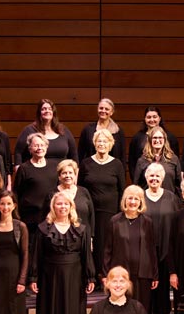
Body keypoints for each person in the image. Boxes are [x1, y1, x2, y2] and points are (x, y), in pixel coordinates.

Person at [30, 190, 96, 314]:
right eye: (59, 203)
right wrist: (34, 277)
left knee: (72, 313)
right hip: (50, 276)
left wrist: (90, 277)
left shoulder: (81, 229)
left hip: (74, 276)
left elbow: (86, 255)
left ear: (71, 206)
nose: (62, 206)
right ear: (53, 207)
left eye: (66, 204)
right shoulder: (43, 228)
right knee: (51, 312)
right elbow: (37, 254)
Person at [80, 129, 126, 273]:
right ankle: (92, 276)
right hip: (89, 212)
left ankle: (106, 275)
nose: (102, 144)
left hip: (110, 211)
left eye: (105, 141)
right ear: (94, 143)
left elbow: (122, 189)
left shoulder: (117, 164)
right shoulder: (86, 163)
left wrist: (121, 212)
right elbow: (80, 189)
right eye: (99, 141)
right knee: (93, 244)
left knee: (108, 244)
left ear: (110, 144)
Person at [103, 185, 158, 301]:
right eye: (130, 198)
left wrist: (154, 274)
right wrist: (105, 274)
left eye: (136, 199)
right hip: (120, 274)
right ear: (125, 200)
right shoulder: (115, 221)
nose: (133, 202)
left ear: (141, 202)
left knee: (141, 307)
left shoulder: (147, 221)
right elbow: (108, 249)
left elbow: (151, 249)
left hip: (142, 274)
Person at [141, 163, 181, 314]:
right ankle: (147, 310)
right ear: (146, 177)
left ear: (163, 178)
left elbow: (177, 221)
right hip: (144, 245)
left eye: (157, 176)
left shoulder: (172, 197)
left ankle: (161, 311)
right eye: (151, 176)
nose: (154, 179)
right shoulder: (140, 196)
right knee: (146, 277)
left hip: (166, 244)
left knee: (163, 277)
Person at [12, 132, 58, 230]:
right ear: (30, 149)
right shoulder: (24, 168)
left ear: (46, 147)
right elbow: (16, 192)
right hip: (29, 217)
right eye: (36, 145)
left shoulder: (54, 166)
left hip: (51, 215)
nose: (39, 148)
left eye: (42, 145)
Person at [15, 98, 75, 166]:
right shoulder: (30, 130)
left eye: (50, 109)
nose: (47, 111)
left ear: (53, 112)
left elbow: (74, 154)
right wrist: (18, 169)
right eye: (43, 109)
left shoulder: (63, 130)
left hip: (62, 174)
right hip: (37, 173)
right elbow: (18, 153)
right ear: (39, 113)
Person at [78, 98, 126, 167]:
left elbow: (122, 156)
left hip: (112, 171)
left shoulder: (118, 131)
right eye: (101, 108)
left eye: (106, 109)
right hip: (91, 169)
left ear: (111, 112)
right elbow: (80, 153)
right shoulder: (87, 129)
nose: (103, 111)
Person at [56, 158, 95, 231]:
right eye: (64, 173)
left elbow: (91, 216)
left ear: (75, 175)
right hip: (61, 237)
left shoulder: (84, 191)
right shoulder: (53, 194)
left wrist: (91, 237)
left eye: (70, 173)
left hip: (83, 235)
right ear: (59, 176)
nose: (68, 176)